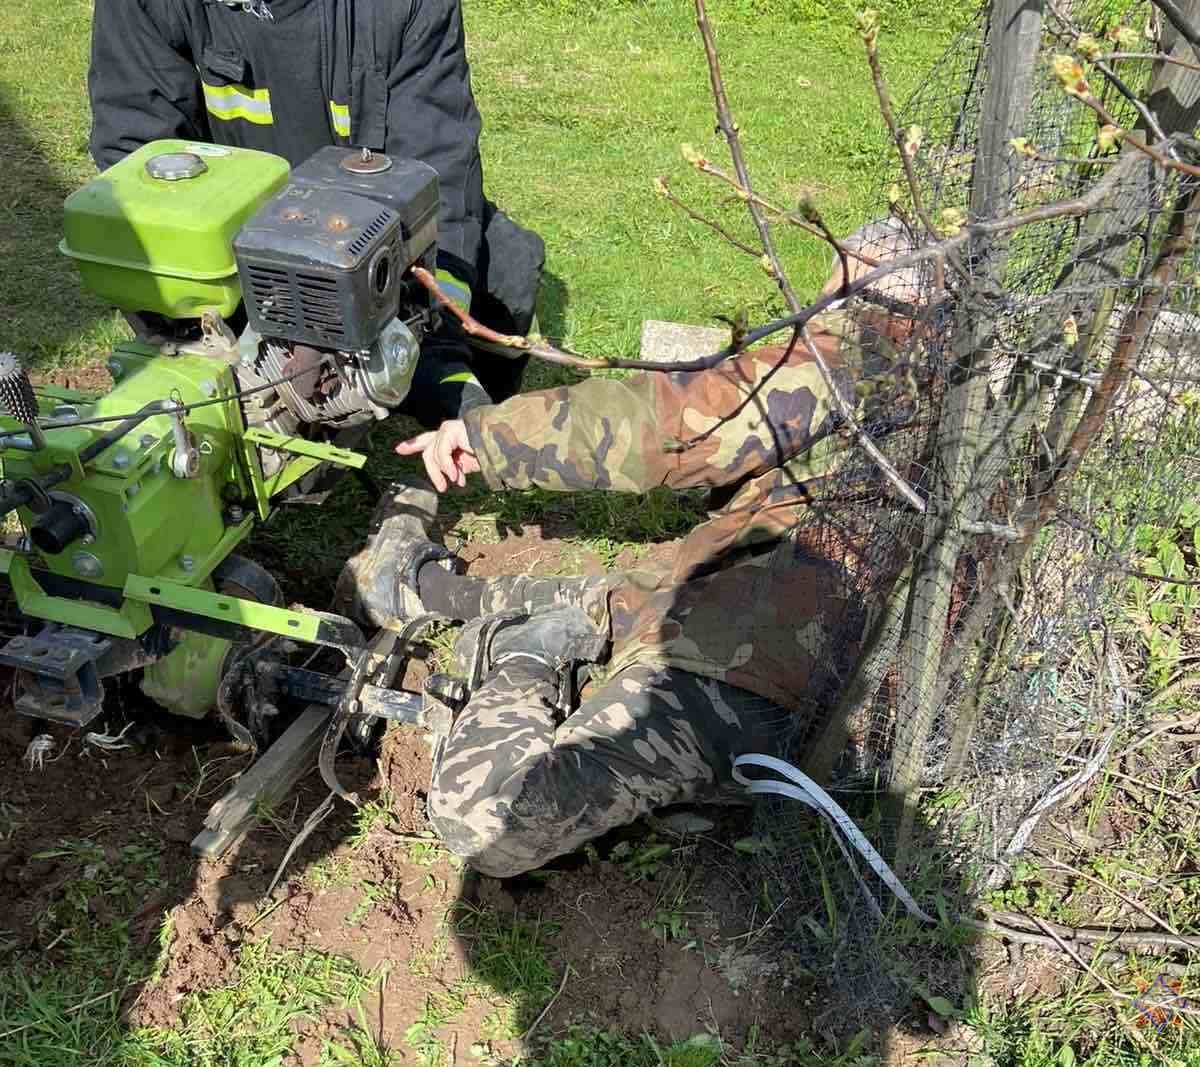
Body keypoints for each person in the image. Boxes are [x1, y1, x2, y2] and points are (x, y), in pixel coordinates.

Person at [335, 285, 925, 878]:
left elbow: (669, 425)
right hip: (785, 624)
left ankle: (520, 651)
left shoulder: (863, 353)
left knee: (490, 821)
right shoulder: (992, 393)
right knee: (636, 600)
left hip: (742, 672)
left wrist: (486, 436)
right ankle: (434, 591)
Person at [87, 0, 542, 422]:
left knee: (504, 267)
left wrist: (437, 342)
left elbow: (437, 167)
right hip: (235, 258)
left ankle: (456, 398)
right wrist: (206, 330)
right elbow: (139, 156)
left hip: (371, 241)